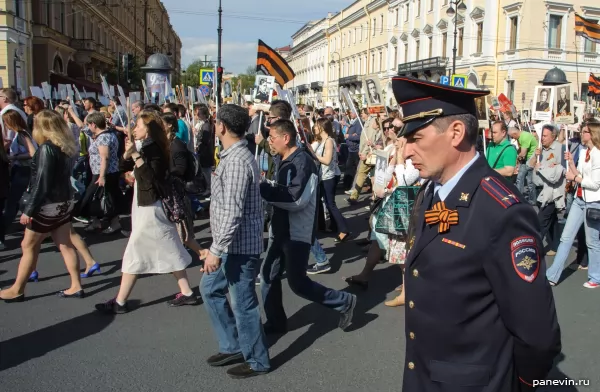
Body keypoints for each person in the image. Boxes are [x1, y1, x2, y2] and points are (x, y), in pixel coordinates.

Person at [393, 76, 561, 392]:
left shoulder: (502, 211)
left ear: (455, 133)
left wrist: (520, 383)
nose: (407, 152)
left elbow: (537, 333)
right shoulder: (430, 191)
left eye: (416, 137)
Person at [260, 119, 357, 335]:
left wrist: (263, 190)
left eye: (272, 137)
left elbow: (296, 199)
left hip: (297, 233)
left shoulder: (302, 162)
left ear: (286, 138)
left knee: (298, 284)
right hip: (281, 231)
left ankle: (344, 301)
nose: (270, 142)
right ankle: (276, 322)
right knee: (268, 276)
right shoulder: (284, 159)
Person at [94, 110, 196, 313]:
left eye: (139, 126)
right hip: (144, 204)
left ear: (148, 130)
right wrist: (127, 154)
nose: (134, 129)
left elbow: (152, 178)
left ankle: (120, 301)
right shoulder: (144, 146)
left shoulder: (154, 149)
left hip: (151, 207)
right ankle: (186, 292)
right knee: (168, 248)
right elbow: (125, 166)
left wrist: (135, 156)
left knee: (137, 252)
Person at [199, 104, 269, 379]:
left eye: (217, 122)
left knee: (243, 304)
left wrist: (215, 250)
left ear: (222, 127)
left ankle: (257, 360)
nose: (215, 126)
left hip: (239, 246)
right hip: (228, 244)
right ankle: (232, 345)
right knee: (210, 289)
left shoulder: (238, 160)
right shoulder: (232, 155)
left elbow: (232, 210)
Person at [0, 110, 82, 302]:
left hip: (47, 204)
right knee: (65, 244)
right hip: (64, 201)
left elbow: (42, 183)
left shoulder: (47, 148)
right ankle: (76, 285)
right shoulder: (64, 147)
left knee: (28, 245)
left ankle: (17, 288)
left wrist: (29, 210)